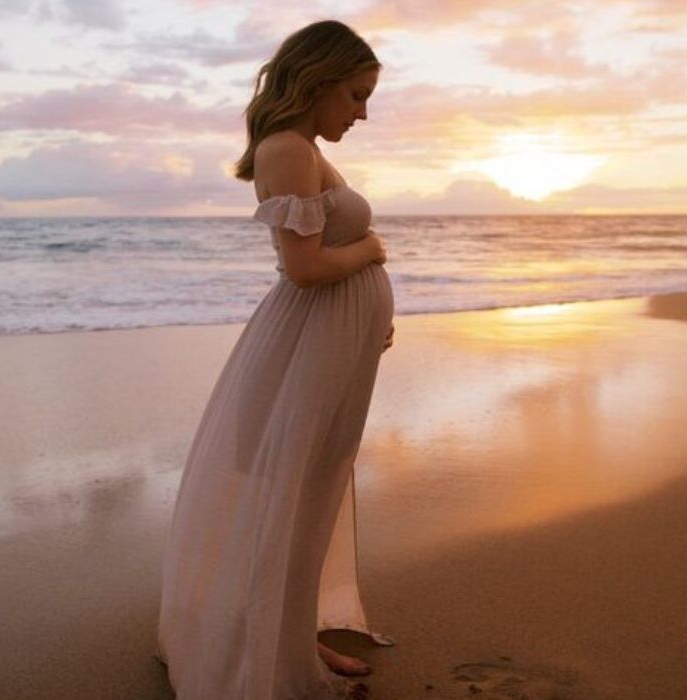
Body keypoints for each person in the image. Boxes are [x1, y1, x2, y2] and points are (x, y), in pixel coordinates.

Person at [156, 19, 395, 700]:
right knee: (293, 489)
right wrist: (370, 255)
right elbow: (304, 268)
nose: (362, 111)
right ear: (316, 80)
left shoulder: (302, 145)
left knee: (312, 487)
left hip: (330, 343)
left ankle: (294, 633)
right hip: (308, 344)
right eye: (355, 94)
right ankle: (279, 651)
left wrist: (376, 312)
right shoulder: (287, 148)